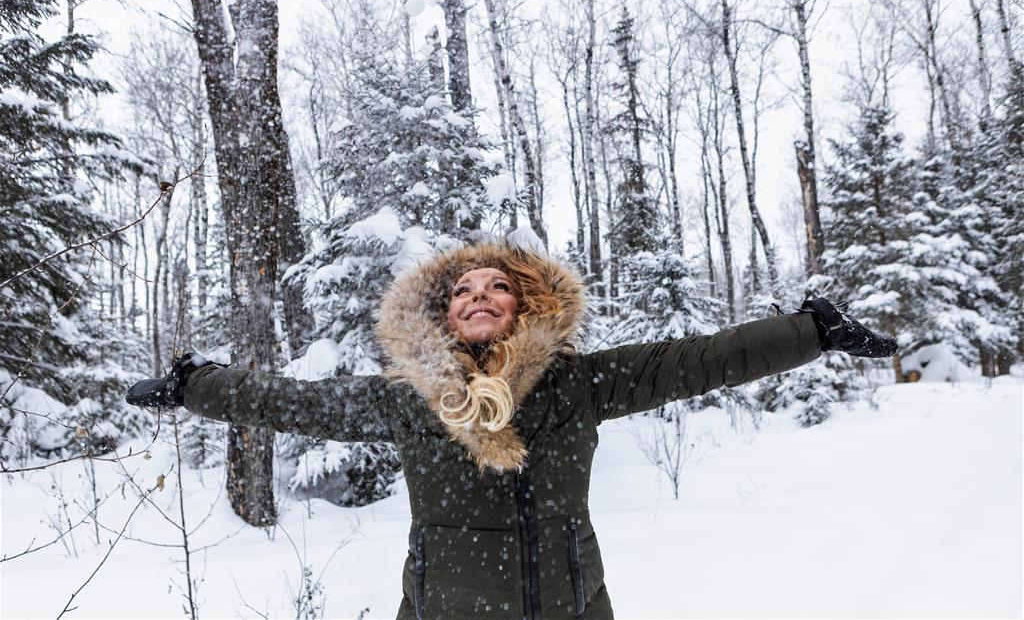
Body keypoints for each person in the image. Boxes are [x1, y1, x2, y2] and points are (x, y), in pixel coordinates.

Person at [126, 241, 897, 619]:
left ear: (525, 307)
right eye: (463, 289)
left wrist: (810, 331)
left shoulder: (577, 382)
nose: (480, 295)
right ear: (442, 313)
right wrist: (198, 384)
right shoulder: (411, 397)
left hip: (573, 605)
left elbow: (694, 361)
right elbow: (290, 403)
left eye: (499, 286)